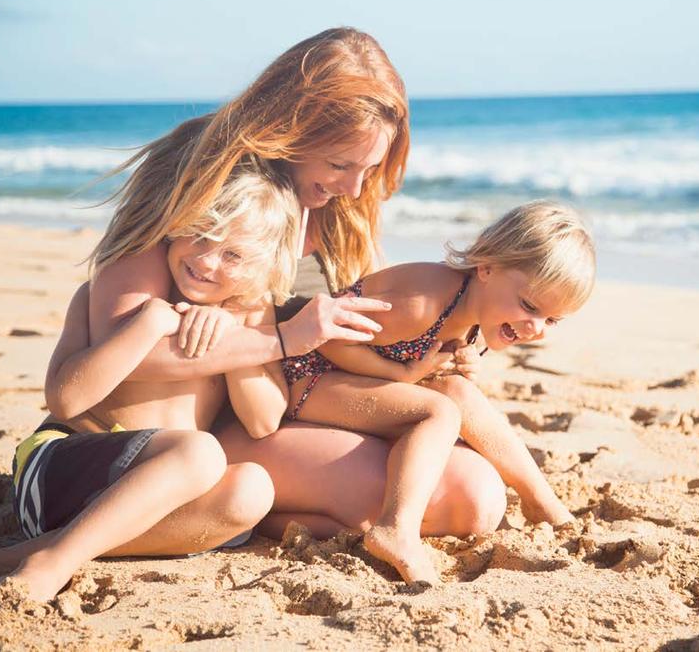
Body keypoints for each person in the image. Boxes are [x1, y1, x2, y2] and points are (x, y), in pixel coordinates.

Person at [0, 27, 506, 595]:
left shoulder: (338, 205)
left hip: (276, 408)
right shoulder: (201, 180)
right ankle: (63, 547)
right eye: (339, 163)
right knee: (453, 495)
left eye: (368, 169)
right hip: (187, 430)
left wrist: (425, 350)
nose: (356, 188)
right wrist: (275, 341)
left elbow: (328, 342)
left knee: (474, 496)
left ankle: (190, 524)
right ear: (292, 125)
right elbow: (110, 360)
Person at [224, 201, 595, 584]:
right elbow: (330, 341)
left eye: (551, 320)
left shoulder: (474, 308)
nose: (535, 328)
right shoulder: (422, 302)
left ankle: (539, 499)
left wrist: (461, 365)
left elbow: (434, 370)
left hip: (357, 381)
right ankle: (395, 528)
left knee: (457, 393)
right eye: (529, 306)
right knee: (438, 412)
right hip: (309, 378)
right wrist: (400, 373)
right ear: (487, 267)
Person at [0, 164, 300, 602]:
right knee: (201, 451)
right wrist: (149, 322)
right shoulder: (125, 299)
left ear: (264, 267)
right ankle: (56, 561)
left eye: (233, 255)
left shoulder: (247, 311)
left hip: (135, 506)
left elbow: (263, 421)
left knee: (251, 491)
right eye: (201, 234)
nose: (206, 261)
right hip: (56, 474)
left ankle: (51, 549)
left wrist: (234, 337)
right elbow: (66, 398)